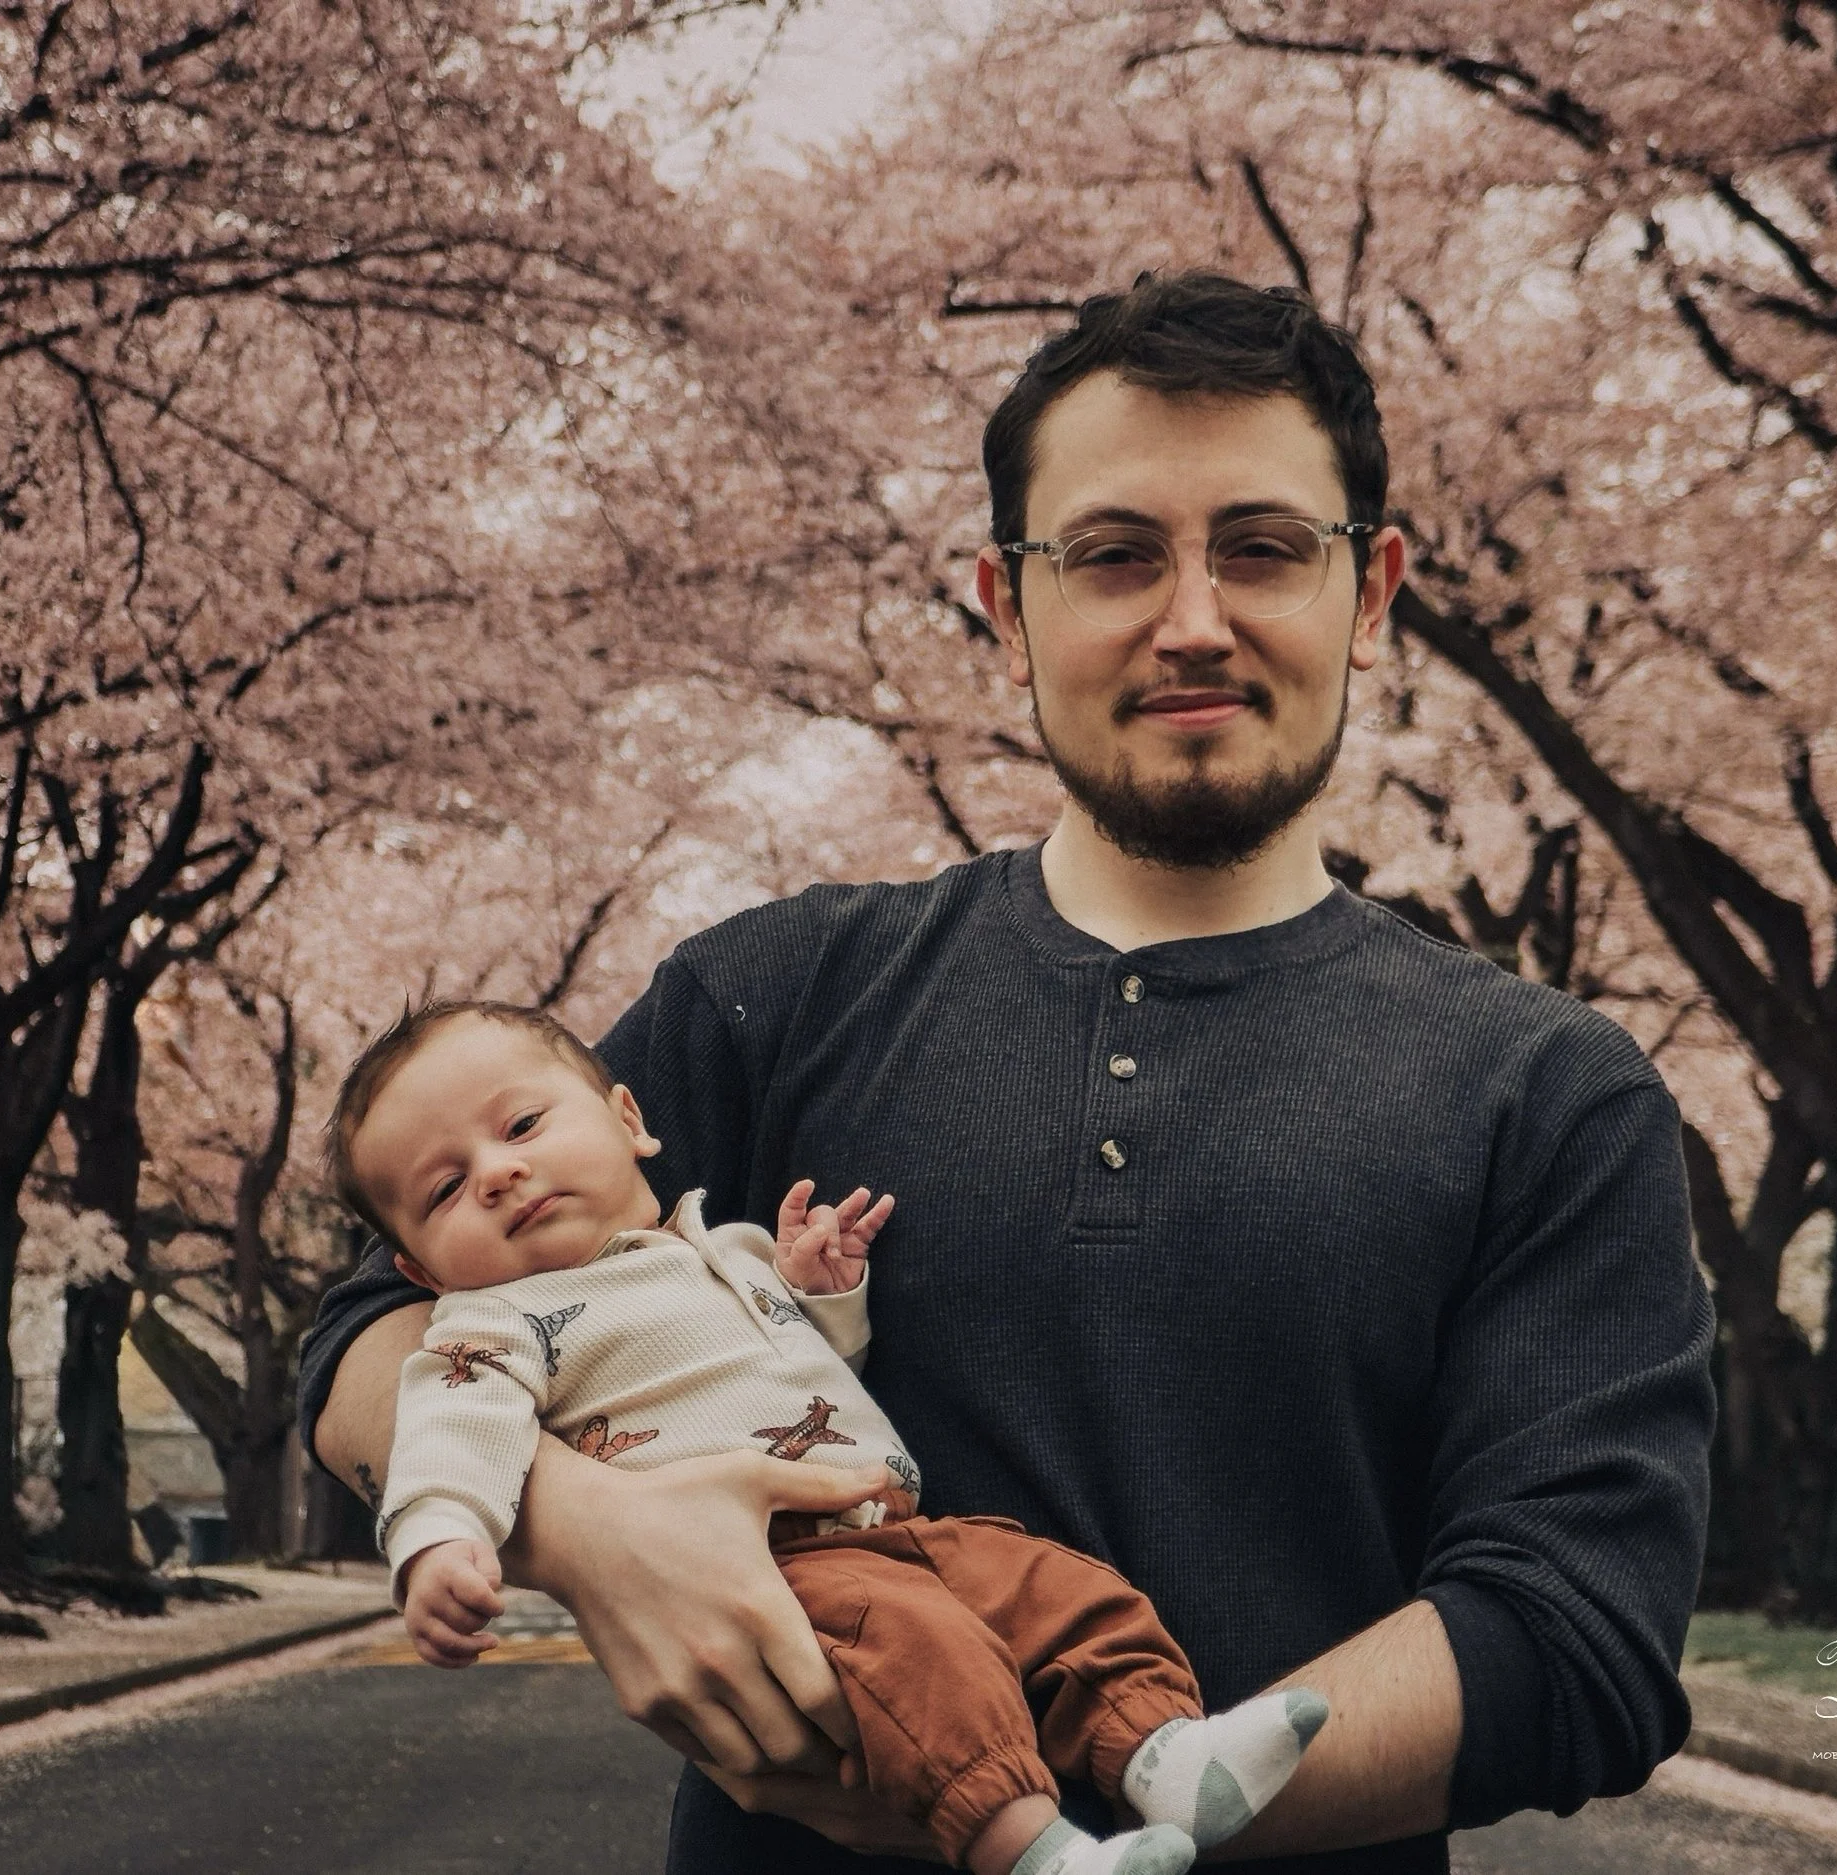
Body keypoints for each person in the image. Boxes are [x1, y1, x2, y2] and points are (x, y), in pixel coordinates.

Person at [298, 272, 1715, 1874]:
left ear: (1372, 592)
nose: (1192, 619)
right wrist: (589, 1530)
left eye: (1263, 549)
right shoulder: (779, 992)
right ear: (1005, 600)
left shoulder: (1550, 1091)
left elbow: (1580, 1633)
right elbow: (375, 1323)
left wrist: (1067, 1813)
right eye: (1113, 555)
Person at [329, 997, 1333, 1875]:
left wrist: (821, 1291)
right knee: (929, 1663)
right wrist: (438, 1538)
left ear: (628, 1121)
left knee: (1058, 1588)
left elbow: (805, 1371)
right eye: (445, 1189)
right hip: (775, 1568)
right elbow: (450, 1425)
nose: (499, 1173)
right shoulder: (497, 1323)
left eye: (521, 1124)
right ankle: (1032, 1845)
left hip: (899, 1528)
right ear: (421, 1272)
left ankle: (1158, 1749)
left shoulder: (722, 1250)